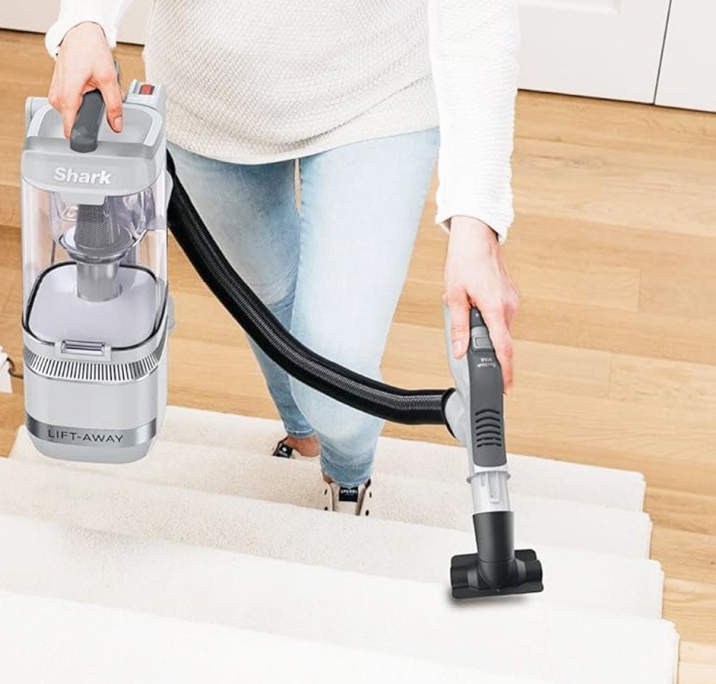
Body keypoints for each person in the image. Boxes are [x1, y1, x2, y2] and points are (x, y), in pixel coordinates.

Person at [45, 1, 521, 515]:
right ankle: (302, 434)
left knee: (337, 372)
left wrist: (476, 222)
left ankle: (347, 477)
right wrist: (85, 19)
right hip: (208, 100)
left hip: (377, 92)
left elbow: (479, 18)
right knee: (266, 301)